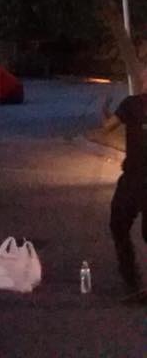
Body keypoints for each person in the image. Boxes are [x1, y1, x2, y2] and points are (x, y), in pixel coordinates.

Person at [101, 69, 147, 298]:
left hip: (135, 178)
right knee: (118, 224)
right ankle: (132, 280)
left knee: (122, 226)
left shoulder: (131, 104)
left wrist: (105, 111)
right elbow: (109, 126)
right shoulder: (130, 104)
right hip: (132, 178)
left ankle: (134, 281)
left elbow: (108, 126)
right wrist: (107, 113)